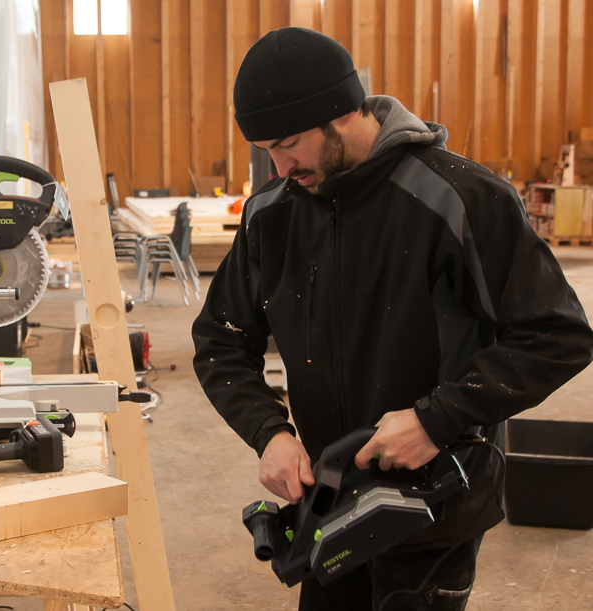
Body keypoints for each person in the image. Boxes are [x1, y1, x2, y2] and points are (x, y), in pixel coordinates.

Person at [191, 27, 593, 611]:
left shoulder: (460, 198)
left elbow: (556, 334)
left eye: (289, 143)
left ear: (342, 112)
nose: (278, 167)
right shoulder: (271, 215)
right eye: (265, 150)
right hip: (331, 504)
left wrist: (437, 419)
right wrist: (269, 433)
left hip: (434, 504)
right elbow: (220, 339)